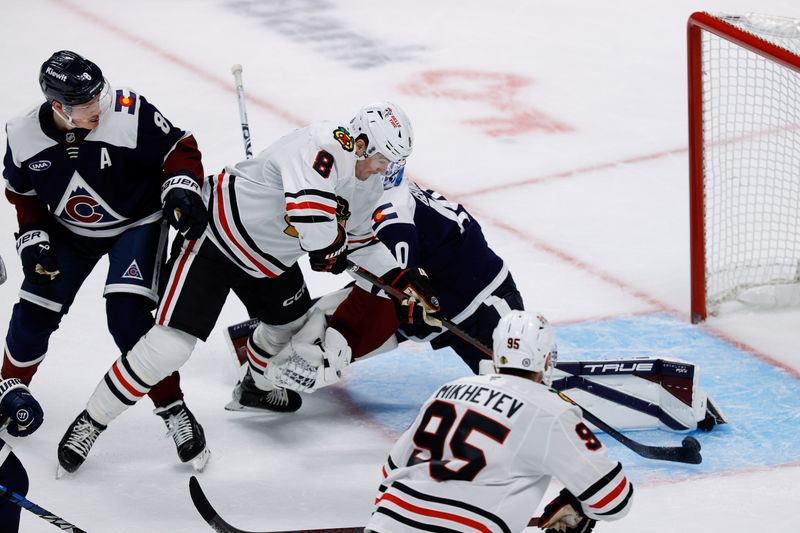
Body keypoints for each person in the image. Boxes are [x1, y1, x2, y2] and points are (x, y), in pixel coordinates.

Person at [58, 101, 442, 473]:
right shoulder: (323, 145)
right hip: (218, 237)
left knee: (289, 329)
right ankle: (92, 420)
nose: (387, 169)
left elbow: (358, 240)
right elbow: (312, 221)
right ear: (361, 143)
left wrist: (402, 280)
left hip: (270, 261)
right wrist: (331, 247)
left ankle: (254, 388)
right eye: (383, 158)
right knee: (170, 347)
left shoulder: (369, 182)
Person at [2, 50, 210, 473]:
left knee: (128, 318)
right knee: (33, 313)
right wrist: (33, 239)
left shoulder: (128, 112)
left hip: (137, 224)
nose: (100, 107)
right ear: (58, 107)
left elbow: (179, 147)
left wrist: (181, 188)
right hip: (69, 232)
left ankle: (173, 408)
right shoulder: (22, 134)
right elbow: (21, 192)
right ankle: (8, 396)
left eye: (100, 95)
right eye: (86, 104)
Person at [223, 166, 522, 410]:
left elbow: (402, 275)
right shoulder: (370, 187)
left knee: (520, 387)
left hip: (479, 301)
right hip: (436, 293)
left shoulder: (387, 205)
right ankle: (268, 359)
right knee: (335, 346)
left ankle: (281, 344)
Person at [364, 310, 633, 533]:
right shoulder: (551, 410)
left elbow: (391, 471)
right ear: (546, 358)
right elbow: (614, 499)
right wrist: (575, 504)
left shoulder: (448, 389)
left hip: (384, 523)